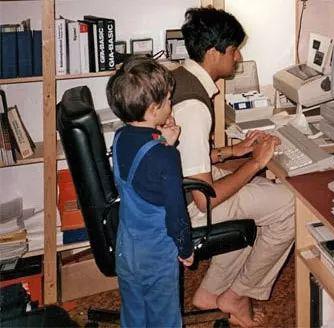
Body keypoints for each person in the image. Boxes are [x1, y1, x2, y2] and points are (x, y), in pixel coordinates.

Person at [172, 7, 295, 327]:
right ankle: (239, 294)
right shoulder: (194, 108)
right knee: (292, 205)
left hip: (173, 193)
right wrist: (254, 162)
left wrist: (231, 152)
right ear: (213, 53)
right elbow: (206, 200)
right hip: (187, 207)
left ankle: (210, 293)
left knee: (266, 192)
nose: (237, 57)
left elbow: (185, 154)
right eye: (233, 49)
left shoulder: (179, 78)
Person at [106, 56, 194, 327]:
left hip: (126, 248)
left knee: (134, 313)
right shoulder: (166, 158)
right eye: (168, 100)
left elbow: (141, 164)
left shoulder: (119, 137)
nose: (171, 104)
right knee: (164, 316)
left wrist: (163, 140)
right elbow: (175, 213)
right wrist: (186, 248)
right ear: (154, 109)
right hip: (155, 254)